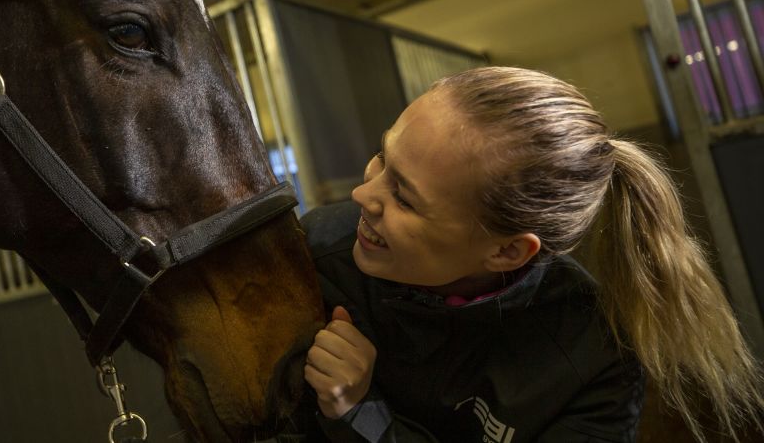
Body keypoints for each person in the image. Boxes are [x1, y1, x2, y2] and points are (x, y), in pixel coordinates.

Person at [298, 66, 763, 442]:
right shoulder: (316, 250)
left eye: (404, 198)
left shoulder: (595, 360)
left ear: (506, 252)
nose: (362, 194)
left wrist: (360, 414)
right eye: (382, 157)